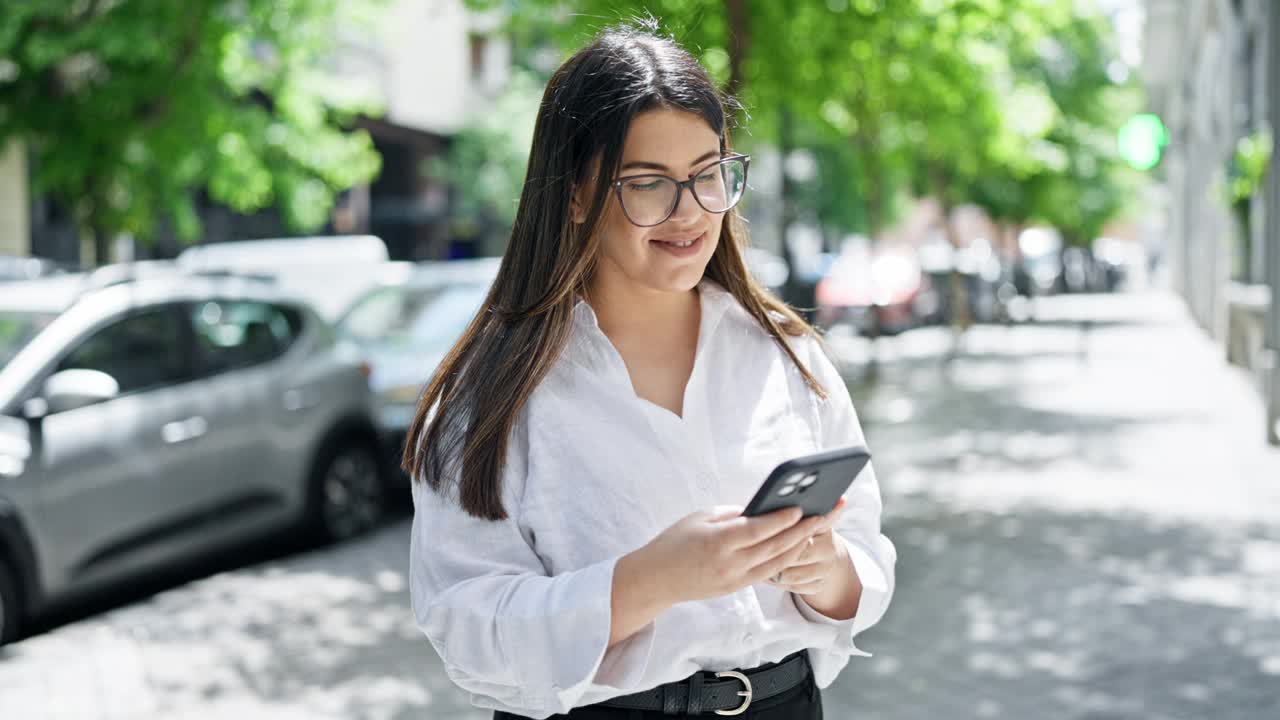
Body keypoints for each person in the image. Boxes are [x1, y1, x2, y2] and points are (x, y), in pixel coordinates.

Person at [405, 22, 896, 720]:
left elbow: (865, 558)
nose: (689, 210)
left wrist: (830, 573)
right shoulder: (494, 393)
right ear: (574, 194)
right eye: (647, 184)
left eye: (707, 175)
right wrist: (648, 581)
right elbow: (465, 629)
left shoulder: (785, 352)